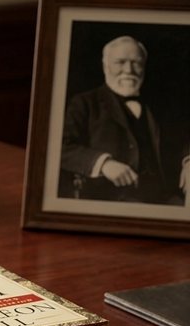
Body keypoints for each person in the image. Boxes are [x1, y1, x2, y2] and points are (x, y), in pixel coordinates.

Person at [60, 35, 185, 205]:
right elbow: (60, 148)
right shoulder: (85, 103)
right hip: (110, 200)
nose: (129, 70)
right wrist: (104, 164)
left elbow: (182, 140)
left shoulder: (159, 105)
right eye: (120, 62)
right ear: (105, 66)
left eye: (136, 63)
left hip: (164, 197)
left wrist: (189, 160)